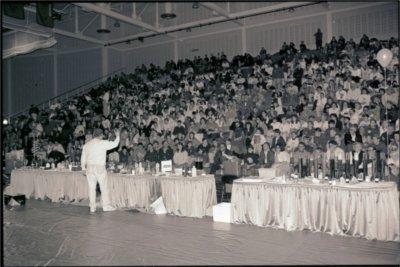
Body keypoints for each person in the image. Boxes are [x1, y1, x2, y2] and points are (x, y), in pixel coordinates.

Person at [81, 128, 120, 213]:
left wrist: (83, 168)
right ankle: (106, 206)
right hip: (99, 168)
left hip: (90, 168)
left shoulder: (87, 145)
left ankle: (92, 207)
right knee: (104, 187)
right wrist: (117, 136)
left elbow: (83, 158)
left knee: (91, 188)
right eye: (102, 135)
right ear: (101, 135)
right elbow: (115, 144)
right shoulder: (102, 143)